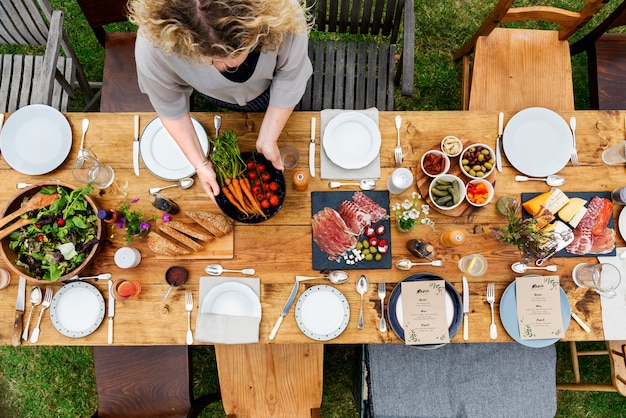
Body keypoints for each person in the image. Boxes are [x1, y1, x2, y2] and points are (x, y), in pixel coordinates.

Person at [128, 0, 312, 200]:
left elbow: (290, 77)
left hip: (272, 87)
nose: (231, 65)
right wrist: (199, 163)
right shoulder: (153, 47)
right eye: (211, 58)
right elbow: (169, 105)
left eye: (243, 49)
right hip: (219, 97)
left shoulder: (284, 12)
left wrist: (268, 138)